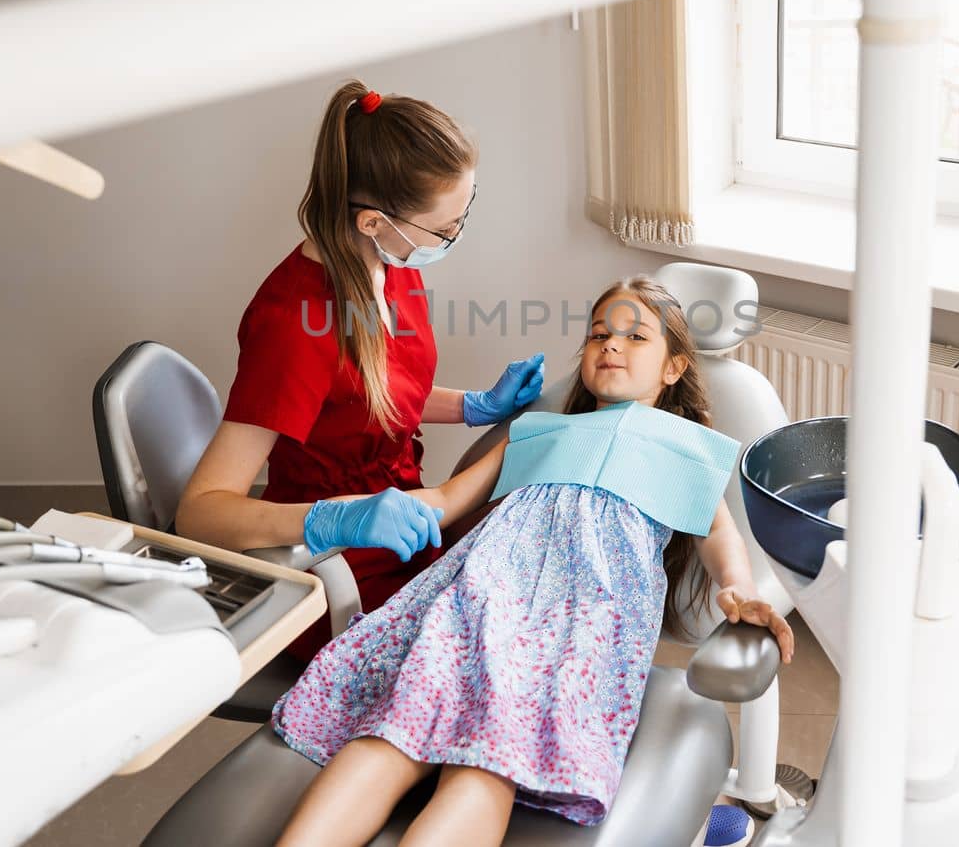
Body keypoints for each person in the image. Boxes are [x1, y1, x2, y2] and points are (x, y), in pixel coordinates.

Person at [269, 276, 796, 847]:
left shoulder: (685, 445)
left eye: (635, 337)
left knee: (486, 761)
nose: (610, 345)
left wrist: (738, 589)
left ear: (673, 369)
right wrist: (344, 513)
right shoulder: (539, 429)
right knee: (391, 732)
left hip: (580, 619)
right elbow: (447, 501)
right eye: (599, 334)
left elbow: (720, 535)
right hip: (480, 592)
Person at [175, 79, 545, 661]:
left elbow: (367, 397)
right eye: (445, 227)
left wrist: (475, 406)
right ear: (374, 221)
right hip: (334, 568)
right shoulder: (294, 326)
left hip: (404, 521)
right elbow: (200, 511)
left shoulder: (390, 265)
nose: (454, 235)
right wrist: (335, 521)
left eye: (463, 214)